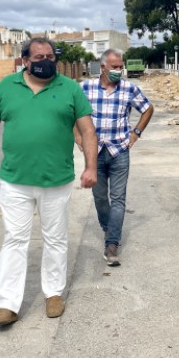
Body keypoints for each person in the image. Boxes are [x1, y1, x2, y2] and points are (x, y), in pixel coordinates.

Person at [0, 37, 98, 326]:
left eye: (50, 56)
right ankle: (7, 304)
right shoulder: (8, 86)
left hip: (56, 180)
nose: (46, 61)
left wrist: (90, 167)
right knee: (15, 240)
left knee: (55, 239)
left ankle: (53, 294)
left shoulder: (70, 88)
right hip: (15, 180)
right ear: (25, 60)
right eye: (39, 57)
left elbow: (88, 130)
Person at [76, 48, 154, 267]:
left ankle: (112, 244)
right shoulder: (85, 88)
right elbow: (71, 112)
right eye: (115, 67)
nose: (119, 70)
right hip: (95, 154)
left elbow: (148, 109)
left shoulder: (129, 89)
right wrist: (77, 136)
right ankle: (109, 227)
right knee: (100, 198)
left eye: (121, 66)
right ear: (102, 67)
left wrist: (136, 133)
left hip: (120, 151)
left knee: (118, 199)